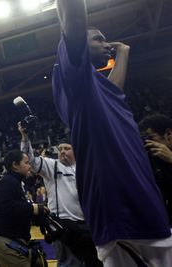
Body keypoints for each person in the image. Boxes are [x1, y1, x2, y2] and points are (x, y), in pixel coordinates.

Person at [52, 1, 172, 266]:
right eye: (98, 38)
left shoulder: (99, 91)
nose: (106, 43)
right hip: (119, 210)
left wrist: (123, 54)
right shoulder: (76, 78)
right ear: (79, 46)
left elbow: (114, 90)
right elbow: (73, 19)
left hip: (145, 206)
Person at [19, 123, 101, 267]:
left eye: (67, 148)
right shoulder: (52, 165)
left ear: (75, 150)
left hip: (86, 224)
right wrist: (25, 138)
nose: (62, 151)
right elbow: (30, 159)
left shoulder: (84, 168)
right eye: (60, 148)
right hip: (63, 226)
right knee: (69, 264)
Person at [0, 150, 46, 267]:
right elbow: (5, 207)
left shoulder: (16, 181)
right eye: (26, 163)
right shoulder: (8, 182)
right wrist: (32, 208)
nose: (29, 166)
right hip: (7, 241)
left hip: (14, 240)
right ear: (15, 165)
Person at [139, 113, 172, 225]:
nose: (147, 142)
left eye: (150, 137)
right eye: (143, 139)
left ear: (168, 134)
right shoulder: (151, 159)